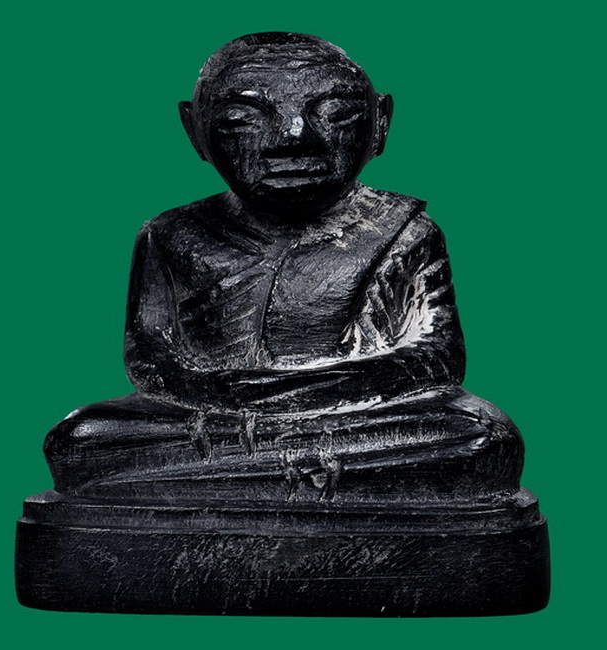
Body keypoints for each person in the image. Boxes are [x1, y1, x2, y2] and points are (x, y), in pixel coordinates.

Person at [45, 32, 523, 503]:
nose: (294, 139)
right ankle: (285, 472)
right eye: (242, 120)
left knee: (479, 437)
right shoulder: (171, 234)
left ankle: (229, 477)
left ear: (381, 122)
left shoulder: (403, 230)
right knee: (80, 439)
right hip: (215, 417)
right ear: (194, 130)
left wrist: (302, 391)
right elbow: (149, 354)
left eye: (337, 115)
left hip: (351, 418)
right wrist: (214, 391)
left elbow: (438, 355)